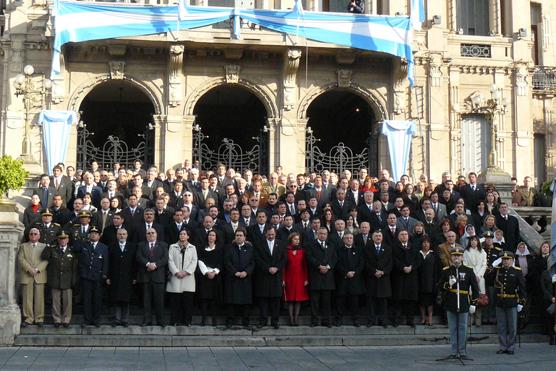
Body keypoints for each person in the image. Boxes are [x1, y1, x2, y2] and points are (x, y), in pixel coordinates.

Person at [438, 247, 480, 360]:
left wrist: (474, 303)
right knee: (452, 328)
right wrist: (448, 284)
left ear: (462, 257)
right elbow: (440, 286)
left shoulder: (468, 270)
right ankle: (453, 351)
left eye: (458, 256)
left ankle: (462, 352)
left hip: (463, 302)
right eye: (454, 256)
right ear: (451, 257)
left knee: (462, 328)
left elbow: (476, 289)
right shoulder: (446, 270)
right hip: (450, 302)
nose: (456, 258)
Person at [486, 251, 527, 354]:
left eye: (507, 259)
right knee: (501, 326)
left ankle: (511, 347)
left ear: (512, 260)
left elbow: (522, 288)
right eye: (504, 259)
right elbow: (488, 280)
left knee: (512, 326)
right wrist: (494, 267)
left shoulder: (517, 271)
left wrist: (521, 302)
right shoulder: (498, 271)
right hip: (500, 301)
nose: (505, 261)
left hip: (512, 301)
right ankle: (503, 346)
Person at [73, 226, 109, 327]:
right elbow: (80, 259)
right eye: (91, 233)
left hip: (98, 277)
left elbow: (106, 262)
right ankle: (87, 319)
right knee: (87, 299)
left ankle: (96, 320)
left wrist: (104, 275)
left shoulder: (103, 247)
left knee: (97, 299)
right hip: (86, 276)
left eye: (95, 233)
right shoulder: (84, 245)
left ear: (99, 235)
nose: (93, 235)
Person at [41, 231, 78, 328]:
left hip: (67, 280)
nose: (62, 240)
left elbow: (74, 268)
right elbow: (44, 256)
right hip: (55, 279)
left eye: (64, 238)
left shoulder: (72, 251)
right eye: (60, 239)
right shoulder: (53, 249)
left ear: (68, 240)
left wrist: (73, 280)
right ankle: (57, 319)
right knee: (55, 301)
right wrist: (49, 244)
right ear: (58, 240)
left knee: (67, 302)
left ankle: (66, 319)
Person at [136, 228, 169, 327]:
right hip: (145, 277)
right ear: (146, 235)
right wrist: (147, 264)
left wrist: (155, 265)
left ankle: (160, 320)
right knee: (146, 301)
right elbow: (139, 256)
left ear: (156, 234)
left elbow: (165, 258)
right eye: (148, 233)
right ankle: (147, 320)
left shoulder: (163, 245)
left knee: (159, 300)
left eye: (152, 233)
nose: (151, 234)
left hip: (158, 277)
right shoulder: (141, 245)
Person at [306, 227, 337, 327]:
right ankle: (314, 321)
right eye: (321, 234)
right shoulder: (311, 245)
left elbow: (334, 258)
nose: (323, 235)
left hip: (328, 277)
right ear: (317, 234)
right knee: (314, 302)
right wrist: (319, 266)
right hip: (316, 276)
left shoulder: (331, 245)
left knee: (326, 302)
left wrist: (328, 267)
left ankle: (326, 321)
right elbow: (309, 257)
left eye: (324, 234)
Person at [224, 229, 255, 328]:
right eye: (237, 235)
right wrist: (235, 272)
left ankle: (245, 321)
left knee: (246, 301)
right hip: (232, 279)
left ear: (245, 237)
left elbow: (253, 262)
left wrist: (246, 272)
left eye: (241, 235)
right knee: (231, 301)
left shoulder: (250, 248)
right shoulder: (229, 248)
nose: (239, 237)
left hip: (246, 278)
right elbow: (227, 262)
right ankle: (230, 320)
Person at [106, 228, 137, 327]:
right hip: (115, 277)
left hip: (127, 277)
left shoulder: (132, 247)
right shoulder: (111, 247)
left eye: (124, 234)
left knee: (126, 299)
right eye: (120, 234)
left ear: (127, 235)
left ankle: (125, 320)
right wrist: (107, 277)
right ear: (117, 235)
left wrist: (134, 277)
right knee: (116, 298)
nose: (122, 236)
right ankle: (116, 319)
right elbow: (108, 263)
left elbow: (134, 263)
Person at [18, 228, 48, 327]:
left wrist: (38, 269)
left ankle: (39, 318)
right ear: (29, 235)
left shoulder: (44, 246)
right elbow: (21, 259)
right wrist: (29, 269)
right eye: (31, 234)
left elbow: (46, 260)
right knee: (27, 298)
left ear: (39, 235)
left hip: (39, 274)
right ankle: (28, 318)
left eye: (35, 234)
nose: (33, 235)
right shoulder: (23, 246)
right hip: (27, 275)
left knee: (39, 298)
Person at [167, 229, 198, 326]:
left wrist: (186, 272)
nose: (182, 235)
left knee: (187, 301)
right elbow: (170, 260)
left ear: (188, 236)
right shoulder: (172, 247)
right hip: (175, 277)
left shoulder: (193, 248)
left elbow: (194, 261)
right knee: (175, 301)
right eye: (181, 234)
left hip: (188, 277)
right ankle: (175, 320)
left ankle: (187, 321)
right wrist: (176, 272)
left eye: (184, 234)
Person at [391, 230, 421, 327]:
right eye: (402, 234)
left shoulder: (414, 246)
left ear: (408, 236)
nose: (404, 236)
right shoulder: (394, 247)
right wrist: (402, 267)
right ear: (398, 237)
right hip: (399, 276)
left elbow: (418, 260)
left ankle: (410, 320)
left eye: (405, 234)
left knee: (410, 300)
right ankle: (397, 320)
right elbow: (394, 259)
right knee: (398, 300)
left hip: (412, 277)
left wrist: (411, 267)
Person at [335, 232, 365, 326]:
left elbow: (362, 263)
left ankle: (355, 319)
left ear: (353, 239)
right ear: (343, 240)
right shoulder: (339, 250)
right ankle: (339, 319)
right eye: (347, 238)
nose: (349, 239)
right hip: (342, 279)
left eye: (350, 238)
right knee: (340, 300)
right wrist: (345, 273)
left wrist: (355, 273)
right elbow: (337, 263)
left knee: (354, 301)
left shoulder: (359, 250)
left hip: (355, 279)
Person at [196, 230, 224, 326]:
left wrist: (214, 272)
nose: (211, 237)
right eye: (209, 235)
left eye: (213, 235)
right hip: (204, 276)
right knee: (204, 298)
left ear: (216, 238)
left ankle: (214, 320)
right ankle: (203, 320)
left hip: (215, 276)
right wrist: (207, 272)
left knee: (214, 299)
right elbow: (199, 260)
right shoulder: (201, 248)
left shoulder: (220, 249)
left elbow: (221, 261)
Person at [365, 230, 392, 327]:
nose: (378, 238)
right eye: (376, 236)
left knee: (383, 302)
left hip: (383, 279)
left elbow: (390, 263)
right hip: (372, 278)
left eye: (379, 236)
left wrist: (383, 272)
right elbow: (365, 263)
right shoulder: (367, 248)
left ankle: (383, 320)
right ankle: (371, 320)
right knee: (371, 301)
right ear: (372, 238)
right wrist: (374, 271)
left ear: (382, 237)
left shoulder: (388, 248)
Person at [283, 232, 309, 326]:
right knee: (290, 299)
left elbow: (305, 266)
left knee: (298, 299)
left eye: (298, 239)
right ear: (291, 240)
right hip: (289, 277)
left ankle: (296, 318)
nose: (297, 241)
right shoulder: (286, 251)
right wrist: (283, 279)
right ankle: (291, 319)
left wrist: (306, 279)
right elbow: (284, 266)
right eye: (295, 239)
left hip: (300, 277)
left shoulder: (302, 251)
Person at [463, 236, 487, 327]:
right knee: (470, 297)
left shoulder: (482, 252)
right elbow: (465, 264)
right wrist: (472, 276)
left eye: (475, 241)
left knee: (480, 298)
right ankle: (470, 318)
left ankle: (478, 318)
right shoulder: (466, 252)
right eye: (472, 241)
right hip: (470, 277)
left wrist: (479, 275)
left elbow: (484, 264)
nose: (473, 242)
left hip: (480, 277)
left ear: (478, 242)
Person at [417, 236, 437, 326]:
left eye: (427, 242)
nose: (426, 244)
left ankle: (430, 318)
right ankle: (423, 318)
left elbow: (437, 269)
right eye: (424, 242)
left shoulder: (433, 255)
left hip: (431, 281)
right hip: (419, 281)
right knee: (421, 301)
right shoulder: (418, 254)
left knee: (430, 301)